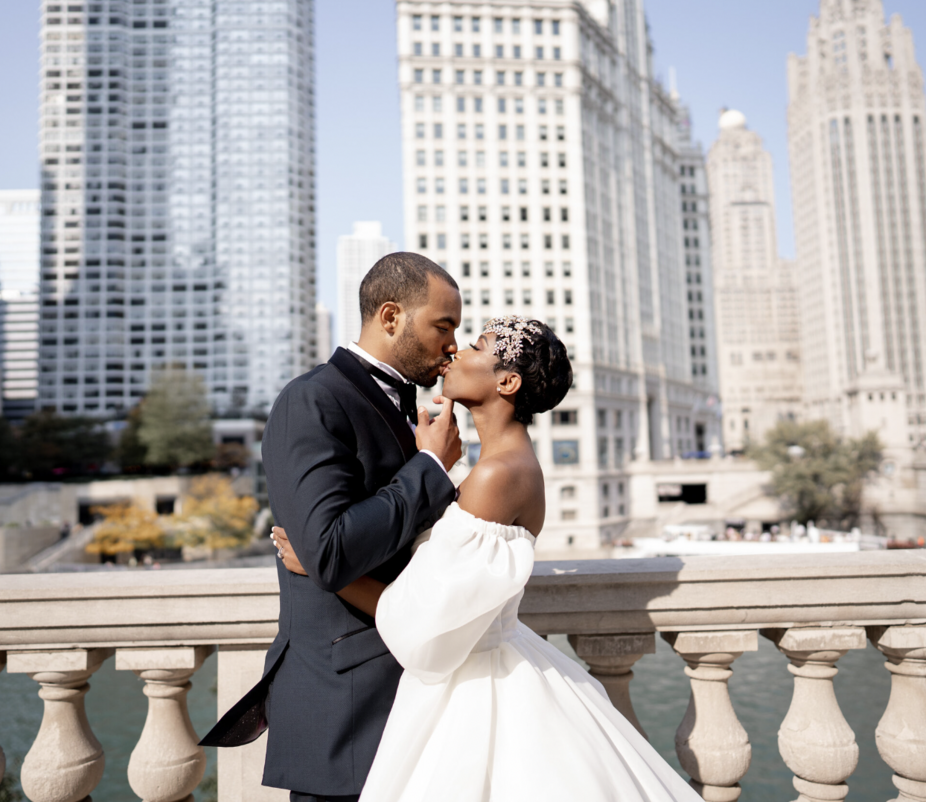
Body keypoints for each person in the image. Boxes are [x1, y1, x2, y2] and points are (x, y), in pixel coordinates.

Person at [275, 316, 703, 802]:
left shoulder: (497, 475)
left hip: (477, 691)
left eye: (476, 345)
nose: (455, 351)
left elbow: (424, 619)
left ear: (507, 381)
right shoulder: (499, 465)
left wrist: (322, 570)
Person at [200, 252, 465, 802]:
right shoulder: (312, 399)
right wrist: (431, 469)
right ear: (391, 317)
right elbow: (328, 552)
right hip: (345, 707)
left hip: (410, 694)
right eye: (443, 326)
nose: (453, 346)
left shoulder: (405, 408)